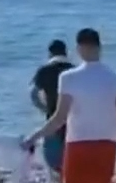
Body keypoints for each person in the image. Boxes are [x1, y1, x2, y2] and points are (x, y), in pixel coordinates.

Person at [22, 28, 116, 183]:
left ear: (78, 49)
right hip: (106, 147)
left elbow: (59, 118)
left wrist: (32, 139)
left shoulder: (68, 78)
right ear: (100, 47)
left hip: (77, 145)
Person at [29, 39, 74, 176]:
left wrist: (44, 109)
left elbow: (33, 94)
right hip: (73, 122)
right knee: (72, 164)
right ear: (66, 52)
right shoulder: (74, 70)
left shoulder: (44, 71)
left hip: (52, 121)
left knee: (54, 166)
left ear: (50, 54)